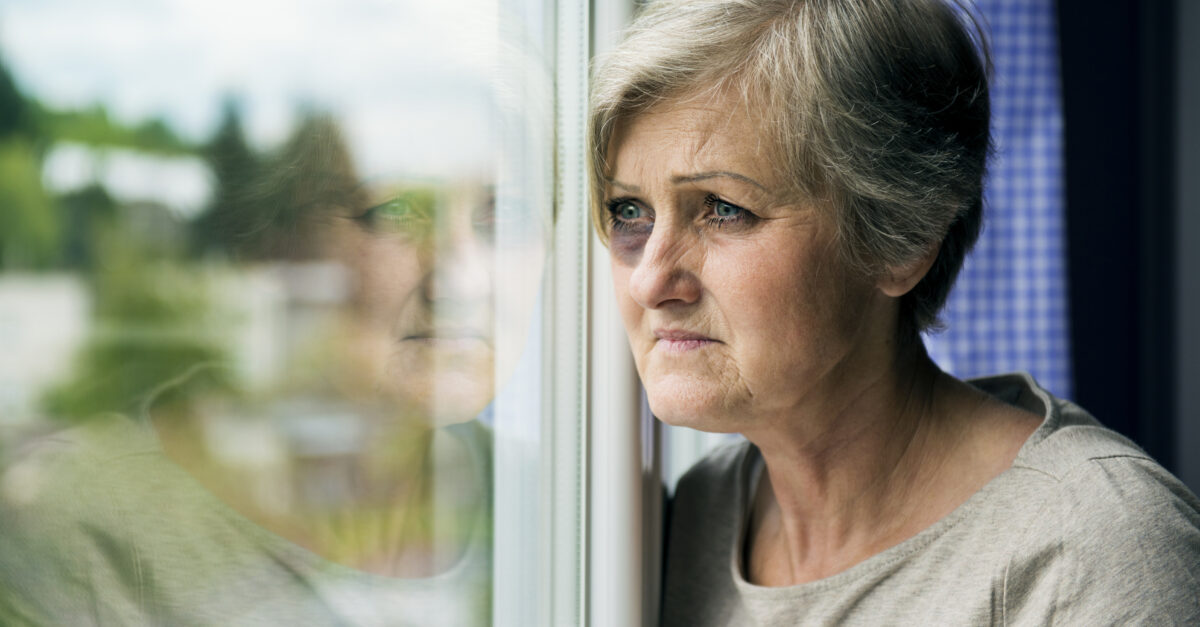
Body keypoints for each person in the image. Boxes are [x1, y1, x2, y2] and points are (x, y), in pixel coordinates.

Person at [589, 0, 1200, 624]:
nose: (650, 279)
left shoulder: (1097, 548)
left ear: (901, 241)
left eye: (723, 208)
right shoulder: (690, 514)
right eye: (629, 212)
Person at [0, 109, 546, 624]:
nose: (462, 281)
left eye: (504, 215)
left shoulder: (558, 506)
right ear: (280, 246)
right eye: (395, 212)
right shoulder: (89, 532)